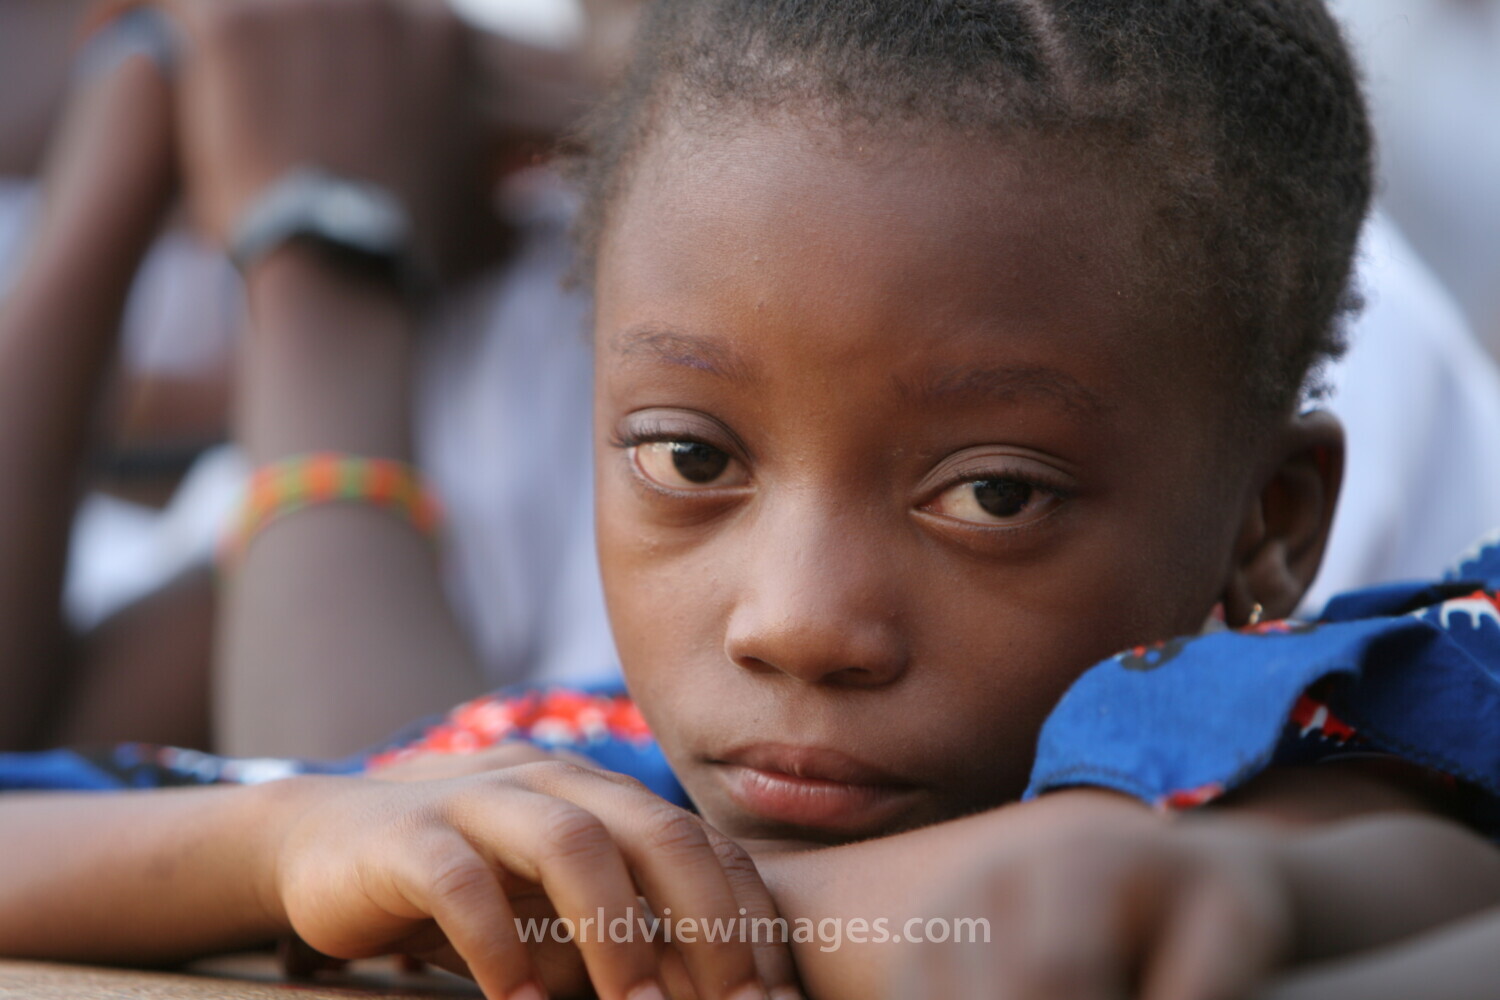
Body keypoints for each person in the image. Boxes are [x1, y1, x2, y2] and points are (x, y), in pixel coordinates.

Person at [3, 1, 1500, 999]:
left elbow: (1247, 878)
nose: (797, 622)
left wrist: (543, 909)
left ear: (1272, 523)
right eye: (690, 460)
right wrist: (292, 845)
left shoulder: (1323, 716)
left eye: (994, 495)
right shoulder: (580, 763)